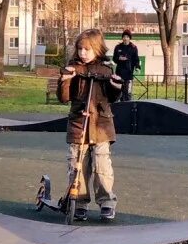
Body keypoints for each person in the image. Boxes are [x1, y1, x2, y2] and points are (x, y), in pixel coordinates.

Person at [58, 28, 123, 222]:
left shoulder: (105, 70)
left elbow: (112, 97)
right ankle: (78, 202)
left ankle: (107, 202)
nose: (82, 53)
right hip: (79, 124)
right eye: (79, 49)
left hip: (101, 126)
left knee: (101, 164)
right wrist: (65, 81)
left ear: (97, 49)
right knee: (78, 165)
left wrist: (115, 86)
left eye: (87, 49)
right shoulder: (73, 68)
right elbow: (64, 98)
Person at [112, 29, 141, 101]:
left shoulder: (133, 48)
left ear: (129, 38)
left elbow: (136, 59)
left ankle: (128, 107)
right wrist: (119, 58)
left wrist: (137, 67)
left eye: (127, 37)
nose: (125, 38)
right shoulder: (118, 47)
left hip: (128, 74)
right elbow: (114, 59)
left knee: (127, 92)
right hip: (119, 74)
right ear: (122, 38)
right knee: (118, 92)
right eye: (124, 37)